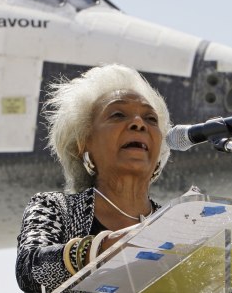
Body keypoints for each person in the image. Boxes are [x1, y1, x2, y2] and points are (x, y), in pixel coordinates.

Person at [15, 64, 170, 292]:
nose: (139, 123)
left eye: (151, 119)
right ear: (84, 143)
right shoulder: (55, 208)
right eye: (118, 114)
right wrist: (107, 247)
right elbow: (31, 270)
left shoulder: (175, 223)